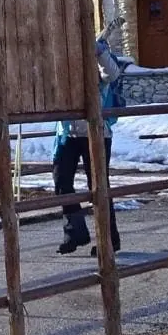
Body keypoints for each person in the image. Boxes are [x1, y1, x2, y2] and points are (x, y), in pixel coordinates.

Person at [54, 39, 128, 255]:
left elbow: (111, 74)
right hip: (67, 132)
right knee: (61, 180)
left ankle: (109, 238)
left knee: (98, 185)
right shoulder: (61, 54)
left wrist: (100, 52)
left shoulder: (96, 53)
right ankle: (75, 231)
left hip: (96, 131)